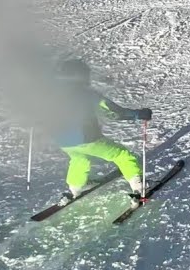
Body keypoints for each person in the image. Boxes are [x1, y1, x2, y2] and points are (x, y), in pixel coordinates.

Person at [47, 59, 152, 206]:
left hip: (63, 141)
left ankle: (74, 189)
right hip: (86, 138)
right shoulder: (87, 94)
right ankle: (139, 187)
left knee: (79, 159)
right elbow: (115, 112)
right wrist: (139, 114)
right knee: (122, 155)